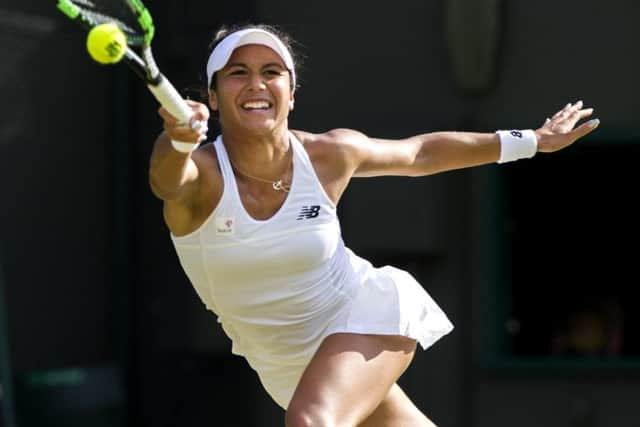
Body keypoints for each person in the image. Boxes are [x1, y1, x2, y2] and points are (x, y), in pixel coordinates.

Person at [148, 24, 599, 427]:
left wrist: (532, 142)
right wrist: (178, 141)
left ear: (292, 92)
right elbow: (167, 180)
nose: (257, 84)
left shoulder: (328, 155)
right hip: (282, 363)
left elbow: (419, 154)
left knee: (312, 421)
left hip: (361, 312)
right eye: (237, 73)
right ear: (212, 95)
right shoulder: (201, 176)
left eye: (271, 71)